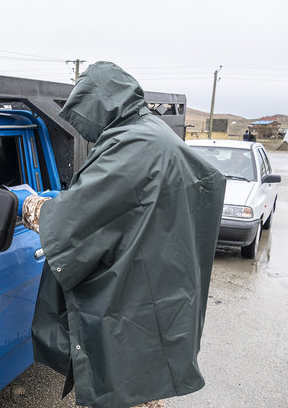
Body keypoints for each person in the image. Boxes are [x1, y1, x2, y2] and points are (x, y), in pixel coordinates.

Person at [13, 62, 226, 408]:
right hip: (161, 286)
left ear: (100, 103)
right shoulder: (152, 132)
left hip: (133, 300)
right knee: (143, 385)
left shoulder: (133, 148)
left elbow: (74, 221)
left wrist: (29, 206)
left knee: (123, 384)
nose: (85, 130)